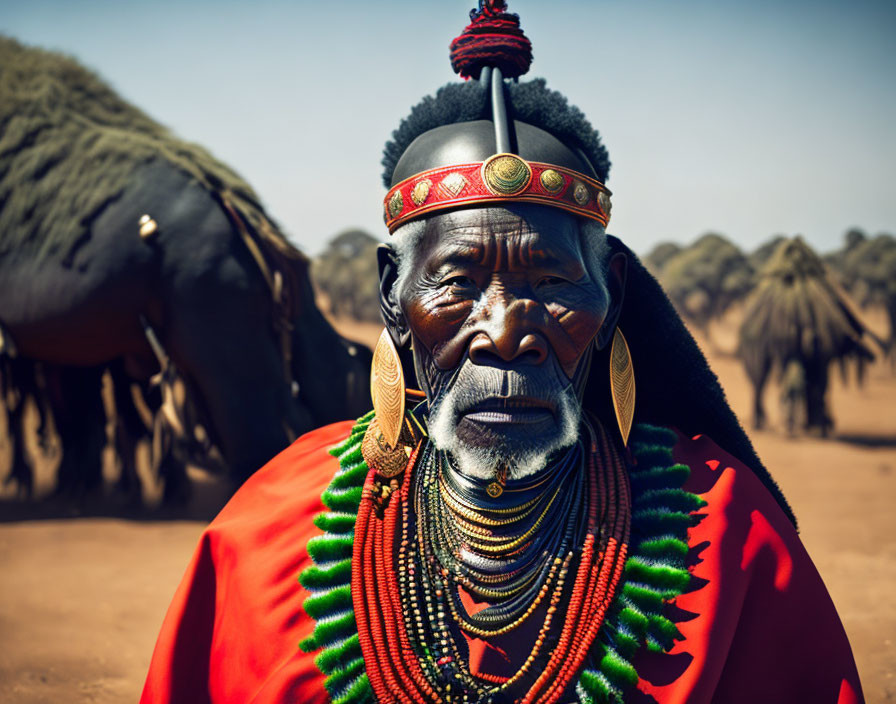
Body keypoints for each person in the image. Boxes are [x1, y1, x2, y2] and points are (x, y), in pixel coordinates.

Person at [140, 3, 863, 702]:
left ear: (611, 292)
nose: (506, 332)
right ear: (393, 294)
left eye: (551, 282)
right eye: (456, 282)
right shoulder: (270, 529)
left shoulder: (725, 534)